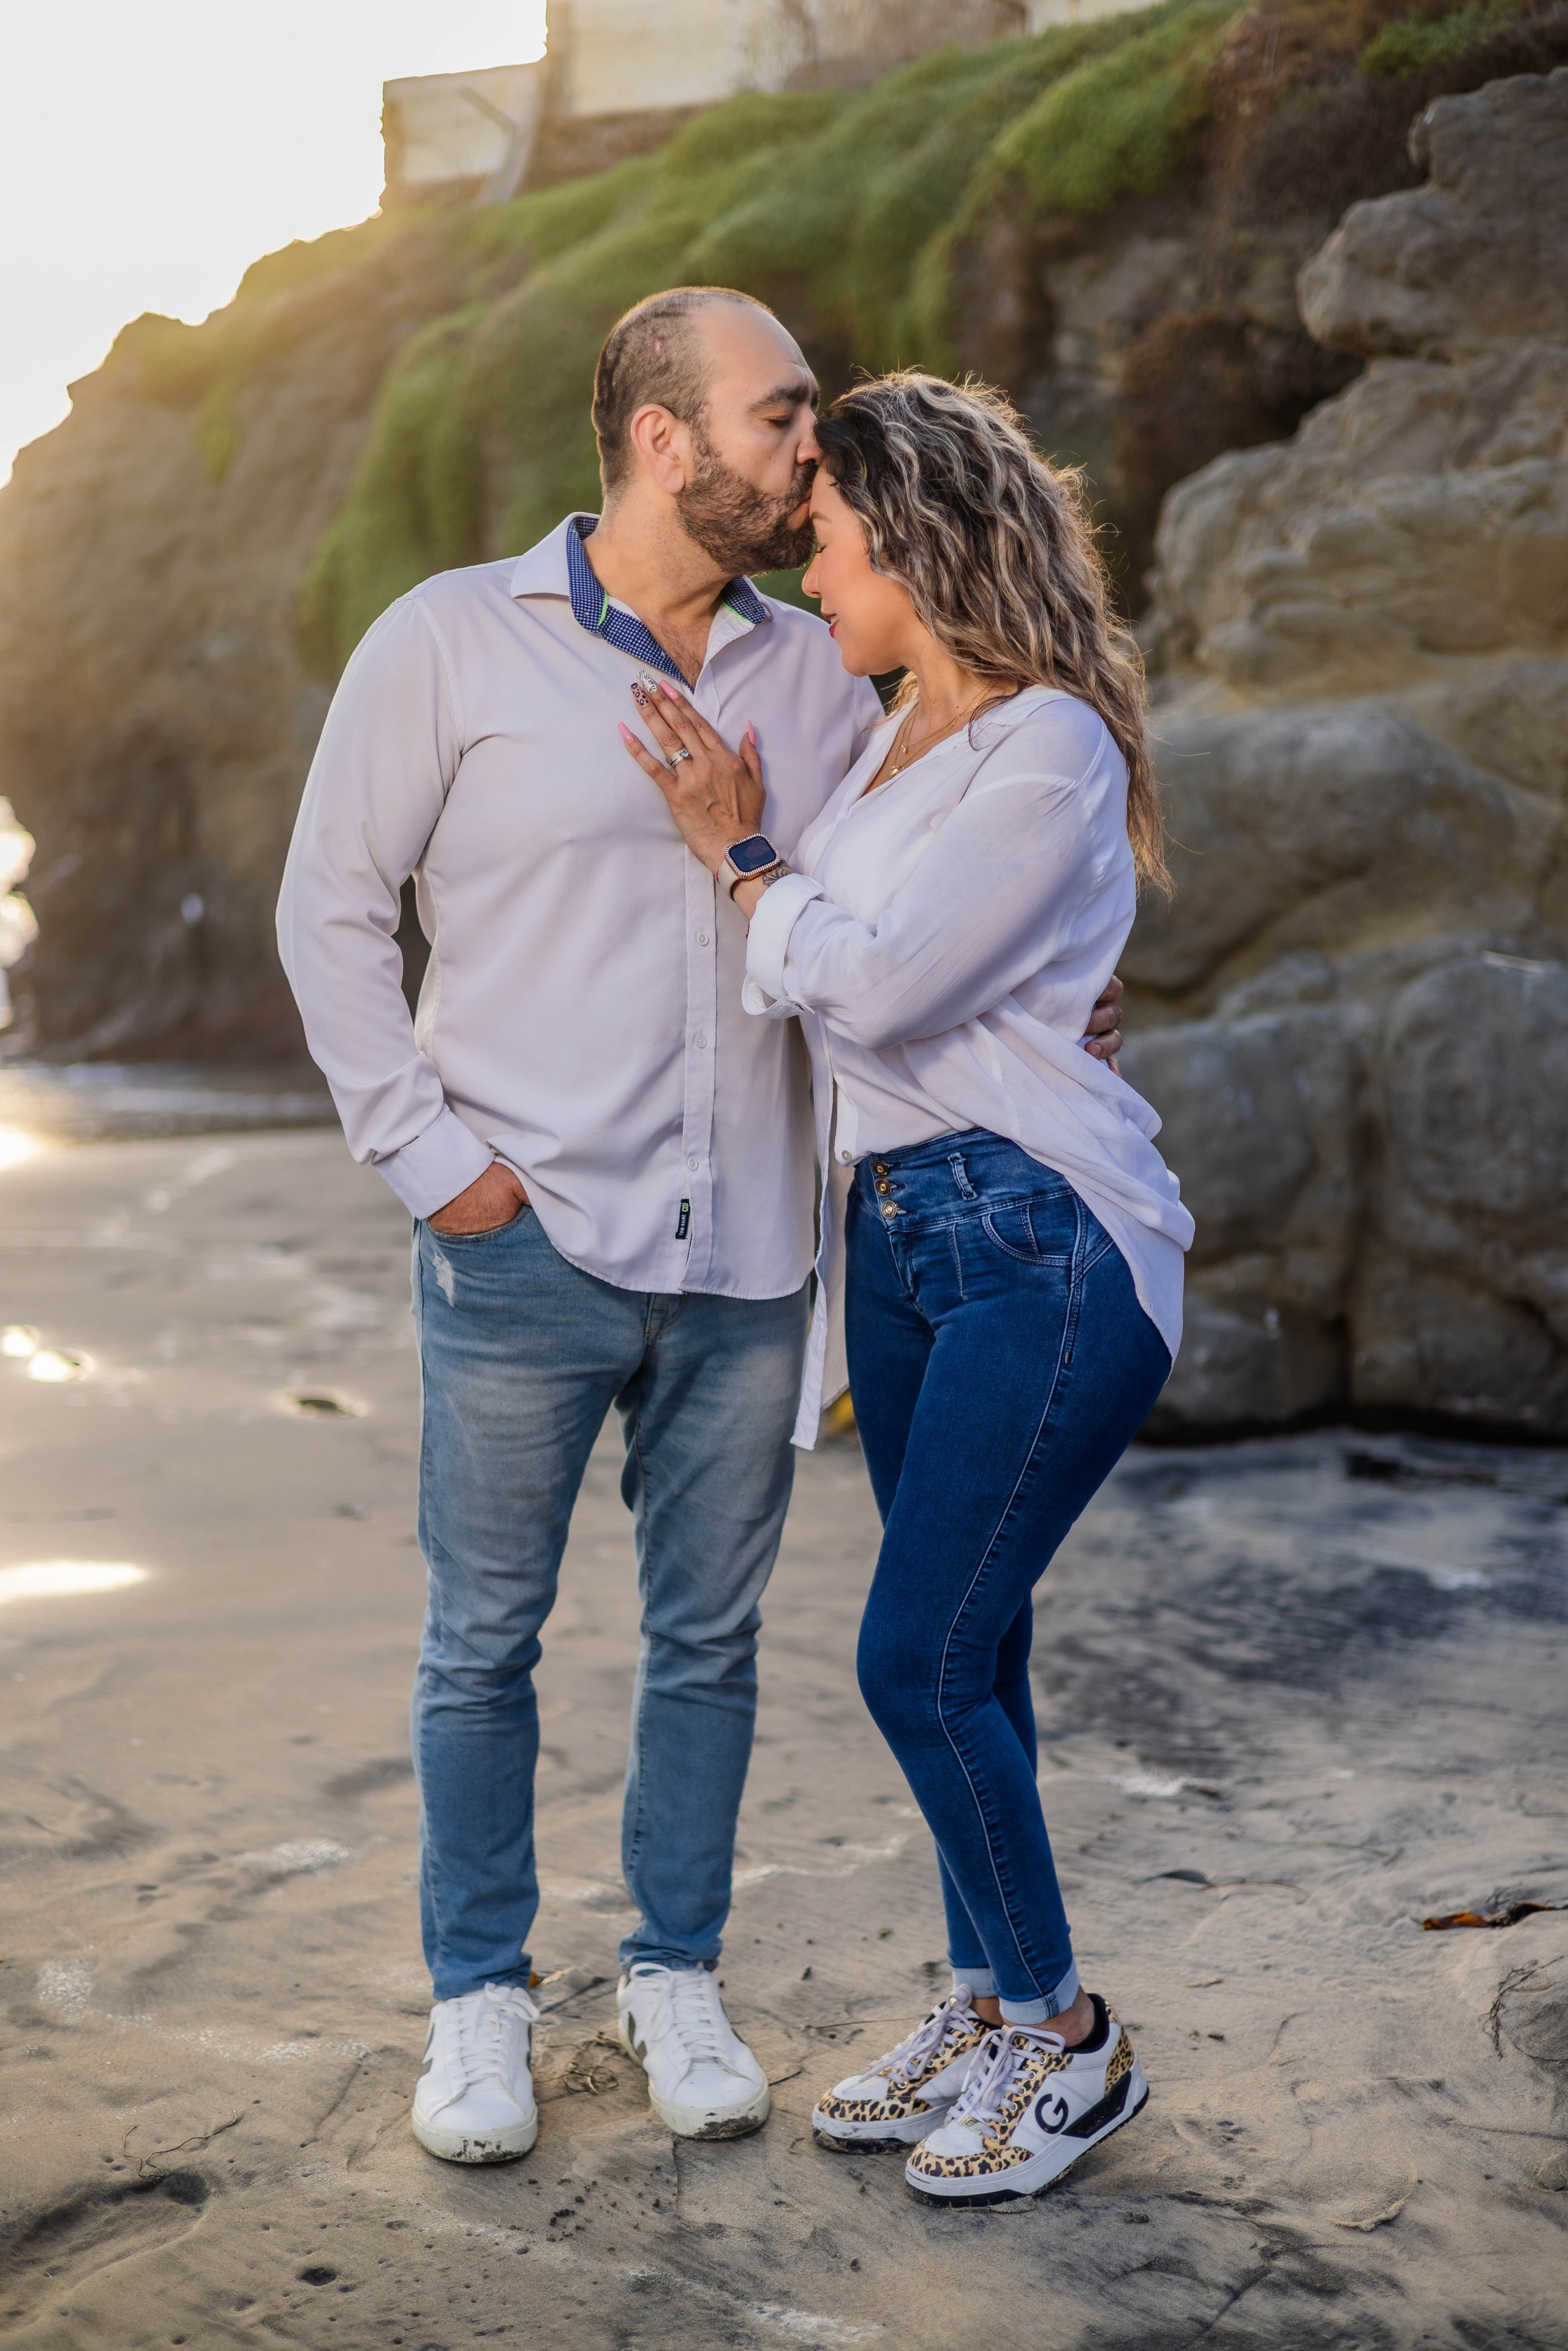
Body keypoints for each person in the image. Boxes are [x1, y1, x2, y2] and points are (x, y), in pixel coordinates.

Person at [277, 289, 1126, 2165]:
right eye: (779, 417)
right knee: (481, 1642)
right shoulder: (447, 643)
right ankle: (479, 2006)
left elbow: (951, 855)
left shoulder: (827, 668)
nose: (807, 452)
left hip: (757, 1251)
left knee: (709, 1644)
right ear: (665, 437)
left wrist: (1069, 985)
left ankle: (677, 1972)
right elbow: (328, 914)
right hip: (518, 1239)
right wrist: (443, 1174)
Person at [617, 369, 1193, 2206]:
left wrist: (743, 857)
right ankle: (983, 2003)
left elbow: (876, 985)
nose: (821, 568)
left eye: (842, 543)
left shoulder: (1052, 747)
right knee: (985, 1652)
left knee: (916, 1657)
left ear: (922, 549)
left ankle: (1067, 2034)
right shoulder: (885, 748)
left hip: (1044, 1232)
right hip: (898, 1236)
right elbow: (879, 982)